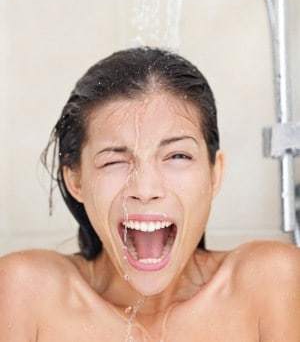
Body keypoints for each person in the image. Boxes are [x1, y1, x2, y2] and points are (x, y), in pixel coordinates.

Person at [0, 46, 299, 342]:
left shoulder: (269, 282)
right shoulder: (26, 291)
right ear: (75, 179)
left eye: (177, 156)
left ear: (215, 173)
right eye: (114, 160)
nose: (145, 190)